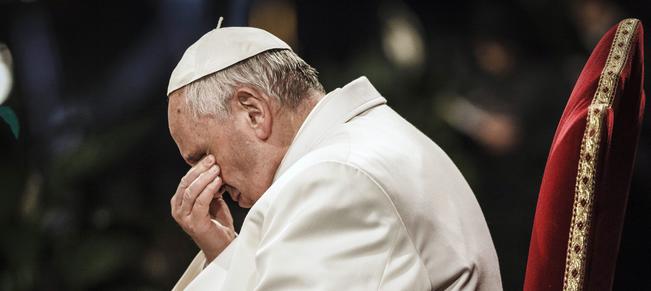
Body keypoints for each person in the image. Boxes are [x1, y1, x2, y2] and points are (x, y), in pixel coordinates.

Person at [166, 24, 502, 290]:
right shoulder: (361, 143)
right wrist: (226, 256)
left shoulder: (331, 180)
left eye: (203, 156)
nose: (212, 184)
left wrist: (228, 263)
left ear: (253, 112)